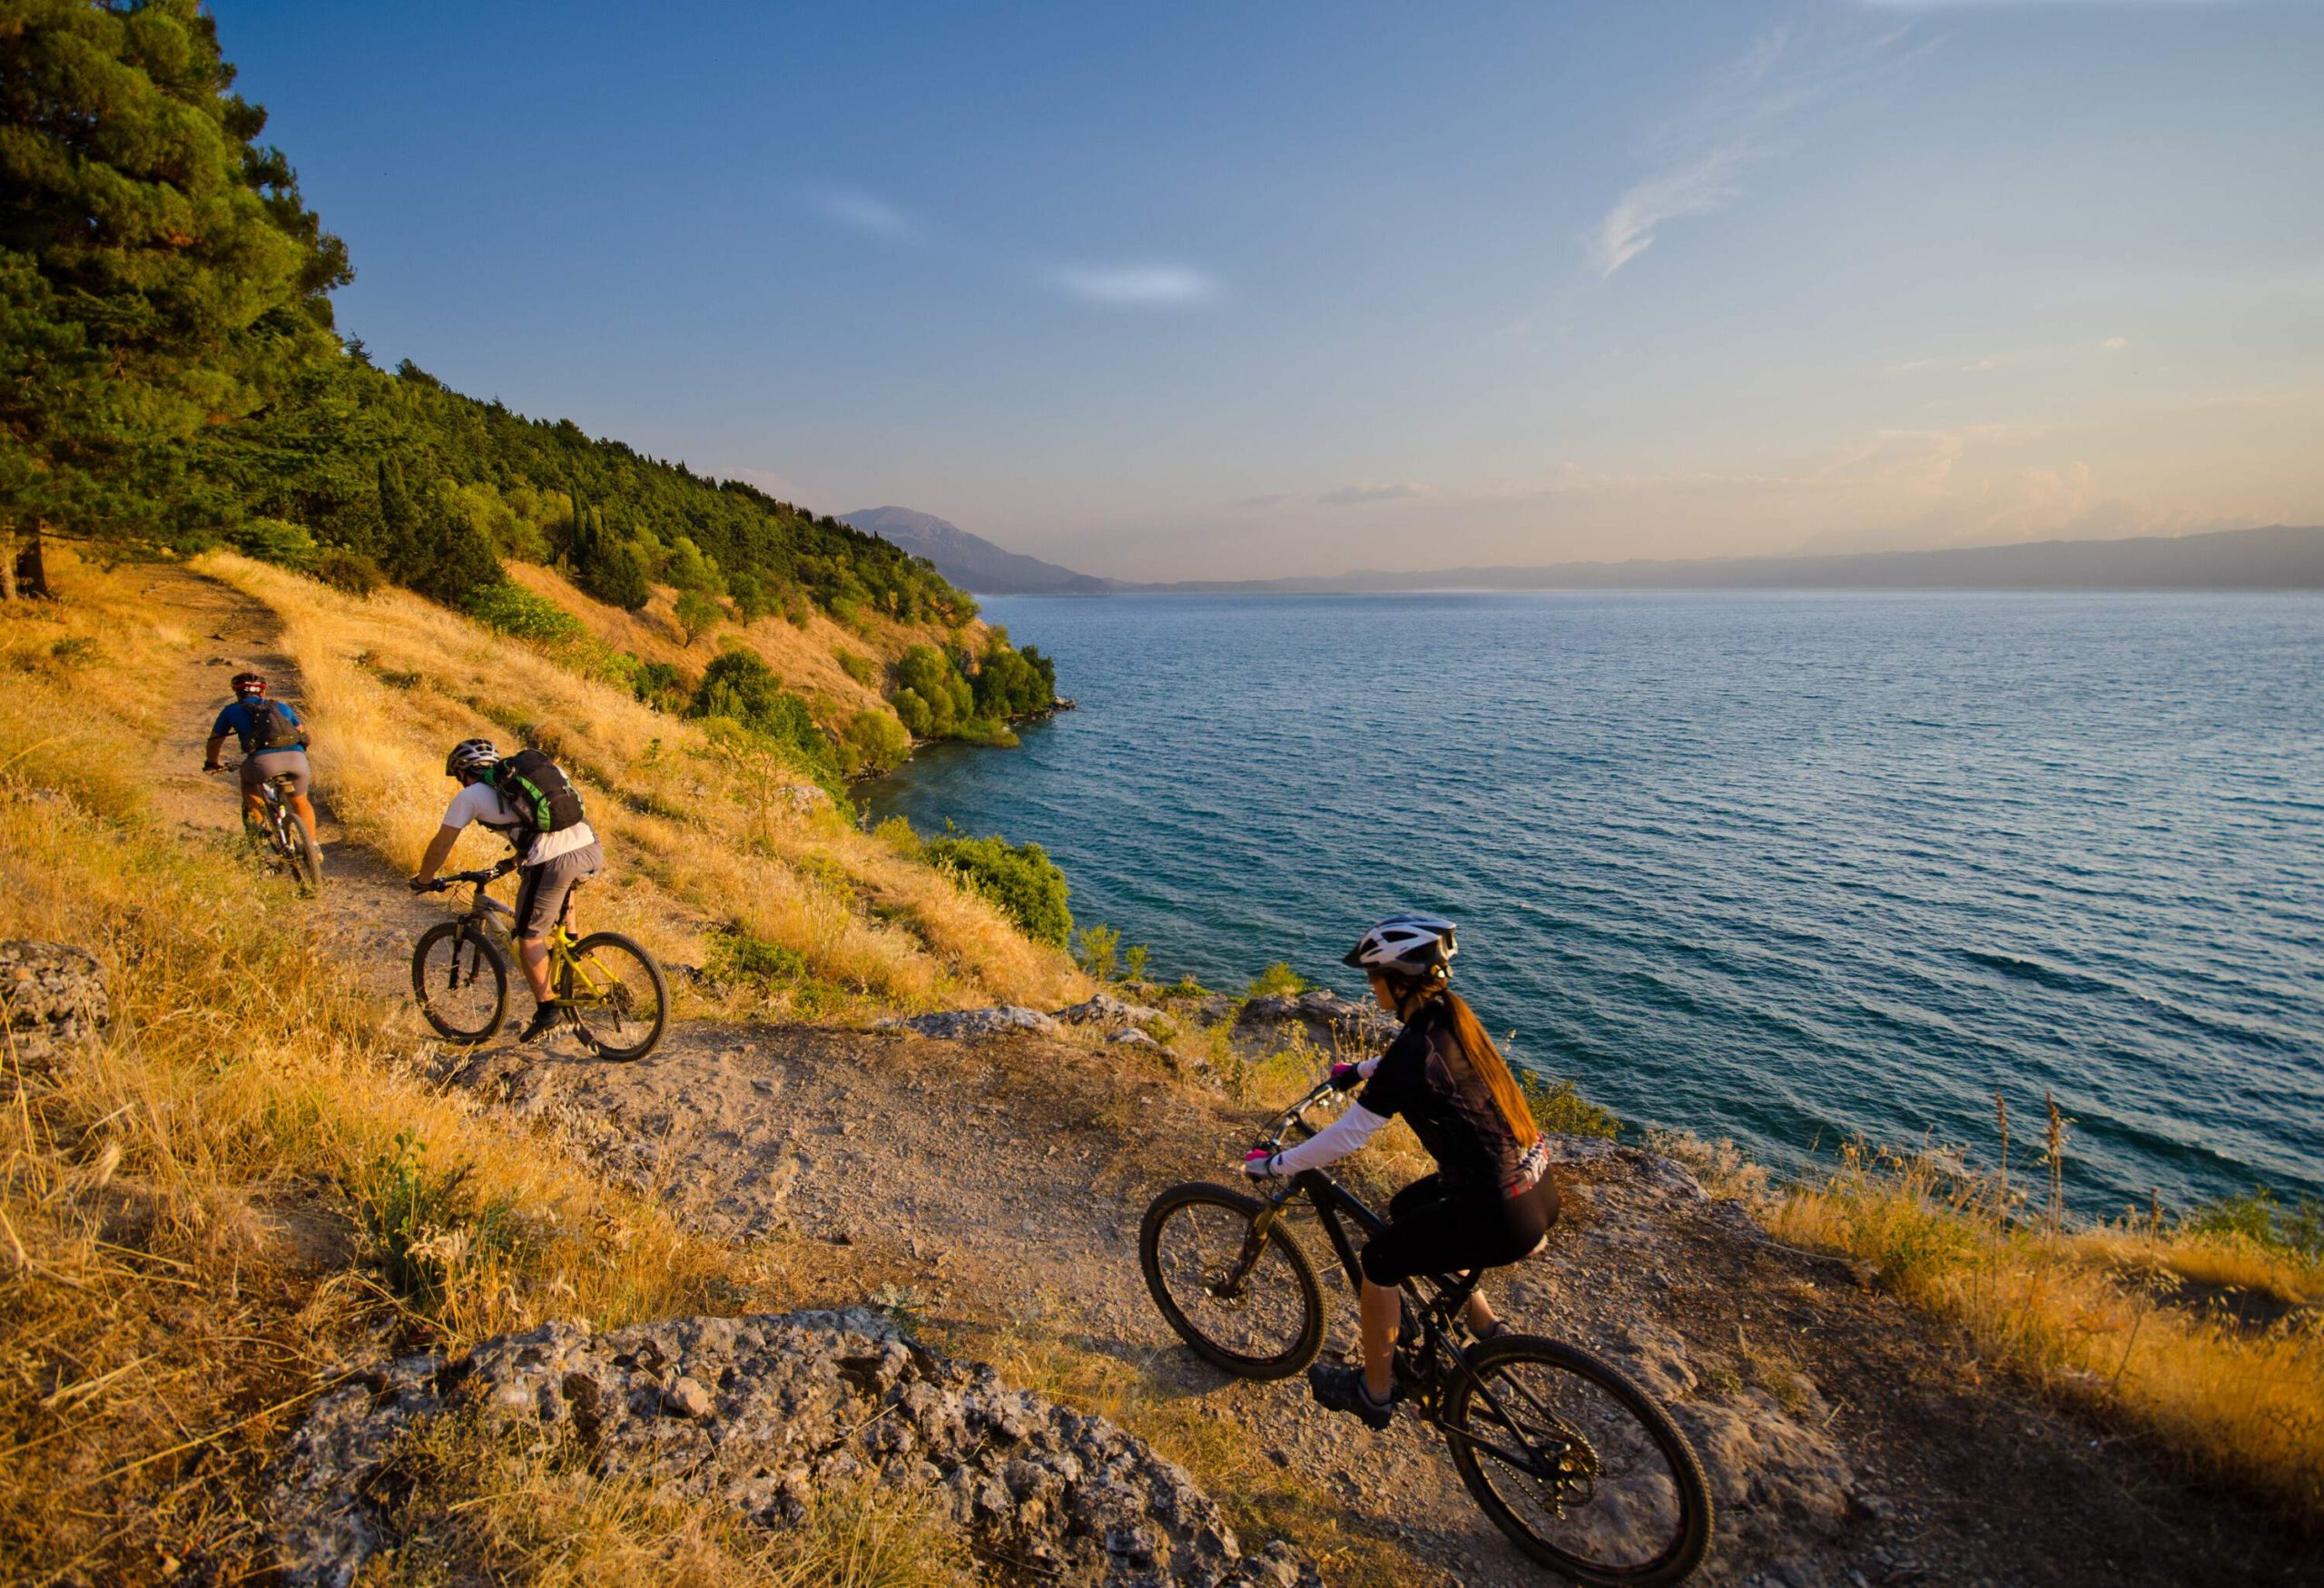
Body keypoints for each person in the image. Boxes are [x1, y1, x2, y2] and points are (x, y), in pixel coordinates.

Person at [1240, 914, 1557, 1428]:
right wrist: (1361, 1072)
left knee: (1380, 1262)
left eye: (1374, 976)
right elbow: (1422, 1064)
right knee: (1406, 1209)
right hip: (1534, 1189)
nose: (1369, 985)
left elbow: (1347, 1136)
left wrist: (1277, 1165)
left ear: (1402, 980)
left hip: (1500, 1213)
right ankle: (1486, 1326)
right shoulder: (1451, 1018)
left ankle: (1375, 1390)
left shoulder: (1415, 1047)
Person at [408, 738, 606, 1044]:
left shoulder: (470, 795)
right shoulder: (526, 781)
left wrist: (424, 878)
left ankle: (547, 1011)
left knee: (528, 937)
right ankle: (572, 955)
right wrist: (513, 861)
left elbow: (442, 843)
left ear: (463, 773)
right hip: (591, 848)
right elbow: (542, 826)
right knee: (560, 892)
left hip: (555, 860)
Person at [202, 671, 320, 858]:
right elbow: (299, 729)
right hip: (297, 759)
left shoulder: (231, 711)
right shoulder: (280, 706)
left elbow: (215, 741)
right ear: (262, 693)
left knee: (248, 782)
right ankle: (313, 846)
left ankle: (260, 829)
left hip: (262, 763)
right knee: (300, 801)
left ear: (237, 693)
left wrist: (212, 762)